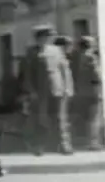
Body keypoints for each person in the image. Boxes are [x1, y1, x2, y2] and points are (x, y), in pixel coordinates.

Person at [22, 24, 74, 155]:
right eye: (44, 37)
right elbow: (27, 74)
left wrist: (68, 87)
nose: (46, 39)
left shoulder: (56, 51)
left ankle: (64, 145)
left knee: (60, 118)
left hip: (57, 88)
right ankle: (39, 146)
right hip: (40, 91)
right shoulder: (31, 52)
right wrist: (31, 91)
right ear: (38, 38)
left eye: (48, 37)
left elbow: (64, 69)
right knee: (41, 119)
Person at [72, 36, 103, 150]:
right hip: (93, 91)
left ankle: (80, 139)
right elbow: (96, 75)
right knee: (94, 118)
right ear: (90, 45)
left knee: (83, 118)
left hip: (80, 91)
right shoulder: (91, 57)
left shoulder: (75, 58)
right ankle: (93, 143)